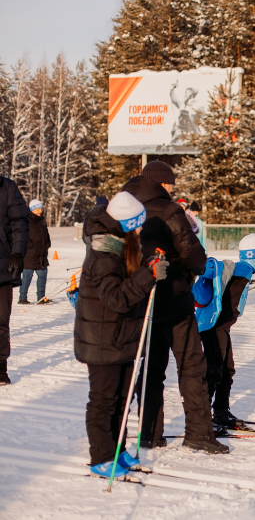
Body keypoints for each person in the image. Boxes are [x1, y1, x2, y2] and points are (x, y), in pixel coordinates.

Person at [122, 160, 227, 454]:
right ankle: (198, 433)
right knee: (191, 365)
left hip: (140, 298)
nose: (172, 187)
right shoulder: (170, 210)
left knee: (151, 367)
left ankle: (149, 433)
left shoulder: (125, 206)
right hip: (174, 298)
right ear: (161, 183)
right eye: (170, 183)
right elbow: (196, 257)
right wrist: (187, 267)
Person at [74, 192, 169, 479]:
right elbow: (115, 298)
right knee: (104, 400)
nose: (141, 231)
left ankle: (116, 449)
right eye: (137, 226)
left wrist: (150, 263)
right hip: (103, 340)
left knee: (122, 399)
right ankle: (101, 457)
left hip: (122, 337)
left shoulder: (122, 246)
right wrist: (147, 275)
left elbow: (130, 280)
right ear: (126, 226)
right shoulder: (104, 253)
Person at [193, 233, 255, 429]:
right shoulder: (242, 268)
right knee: (214, 371)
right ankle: (202, 416)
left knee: (226, 370)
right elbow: (213, 270)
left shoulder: (246, 270)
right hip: (213, 326)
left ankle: (220, 412)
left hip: (221, 327)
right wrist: (206, 266)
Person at [0, 175, 29, 386]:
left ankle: (0, 368)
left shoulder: (7, 186)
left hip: (2, 267)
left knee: (1, 321)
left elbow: (20, 221)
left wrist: (18, 253)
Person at [19, 199, 52, 305]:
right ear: (32, 209)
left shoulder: (41, 220)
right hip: (30, 255)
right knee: (27, 277)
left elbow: (46, 234)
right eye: (37, 209)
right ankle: (22, 298)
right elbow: (22, 235)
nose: (40, 211)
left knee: (43, 275)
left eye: (41, 209)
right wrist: (30, 245)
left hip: (41, 255)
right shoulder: (26, 220)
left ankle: (41, 298)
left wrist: (47, 243)